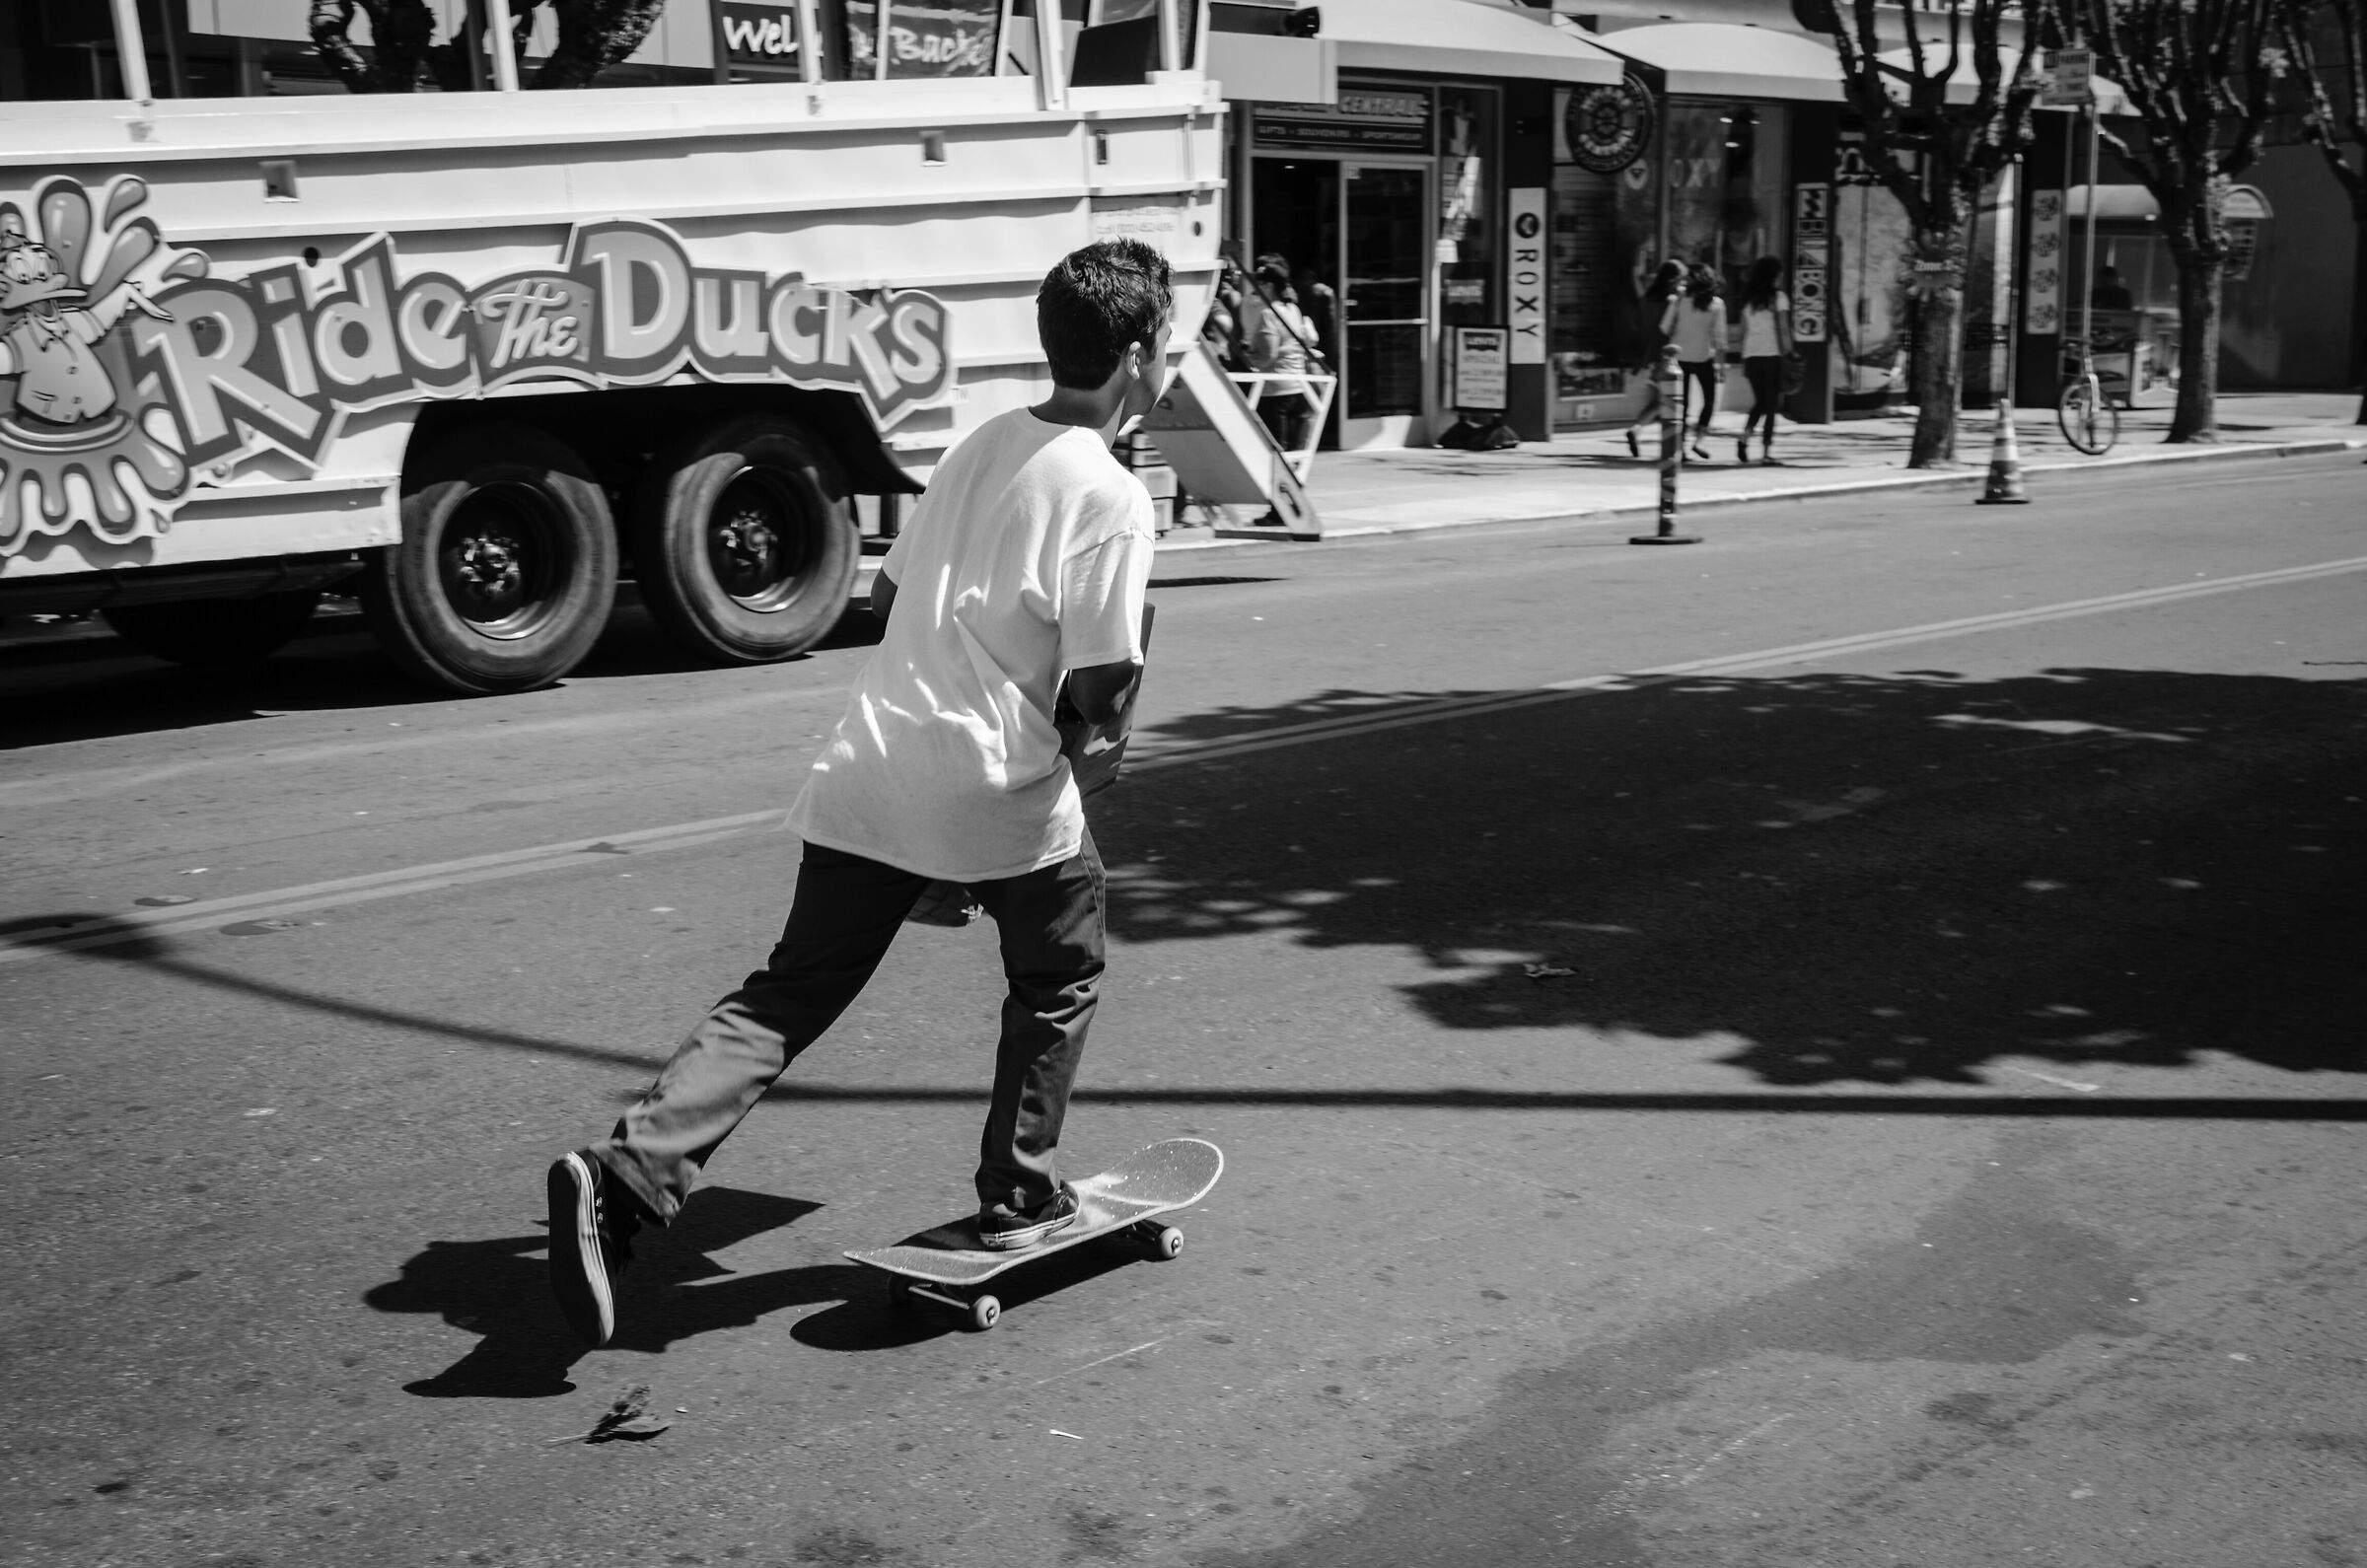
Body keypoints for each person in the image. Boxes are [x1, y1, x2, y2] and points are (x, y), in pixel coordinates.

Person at [545, 239, 1170, 1348]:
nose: (1168, 361)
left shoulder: (981, 445)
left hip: (872, 769)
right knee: (1059, 972)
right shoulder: (1112, 495)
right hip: (993, 787)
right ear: (1134, 355)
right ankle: (1020, 1192)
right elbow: (1101, 683)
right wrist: (1103, 721)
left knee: (788, 993)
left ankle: (626, 1175)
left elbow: (887, 597)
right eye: (1165, 343)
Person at [1246, 260, 1315, 455]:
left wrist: (1249, 359)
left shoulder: (1268, 314)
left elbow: (1268, 356)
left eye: (1259, 284)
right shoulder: (1294, 309)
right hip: (1298, 387)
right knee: (1291, 455)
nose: (1255, 289)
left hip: (1275, 392)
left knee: (1275, 454)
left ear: (1269, 286)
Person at [1661, 263, 1726, 462]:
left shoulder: (1679, 300)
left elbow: (1665, 326)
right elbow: (1720, 338)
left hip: (1679, 357)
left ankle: (1680, 449)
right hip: (1703, 356)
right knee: (1709, 400)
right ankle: (1699, 440)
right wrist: (1721, 366)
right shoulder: (1716, 304)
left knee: (1682, 404)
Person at [1735, 255, 1794, 465]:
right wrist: (1790, 353)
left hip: (1751, 356)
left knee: (1760, 402)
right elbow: (1783, 329)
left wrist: (1743, 359)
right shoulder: (1779, 298)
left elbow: (1742, 332)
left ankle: (1745, 437)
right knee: (1771, 405)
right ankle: (1766, 451)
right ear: (1774, 275)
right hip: (1772, 355)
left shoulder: (1748, 300)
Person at [1624, 260, 1686, 459]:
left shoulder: (1646, 298)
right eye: (1681, 279)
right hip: (1666, 357)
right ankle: (1642, 433)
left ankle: (1636, 431)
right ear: (1674, 279)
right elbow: (1672, 327)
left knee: (1657, 403)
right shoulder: (1672, 300)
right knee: (1667, 402)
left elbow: (1635, 324)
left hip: (1647, 356)